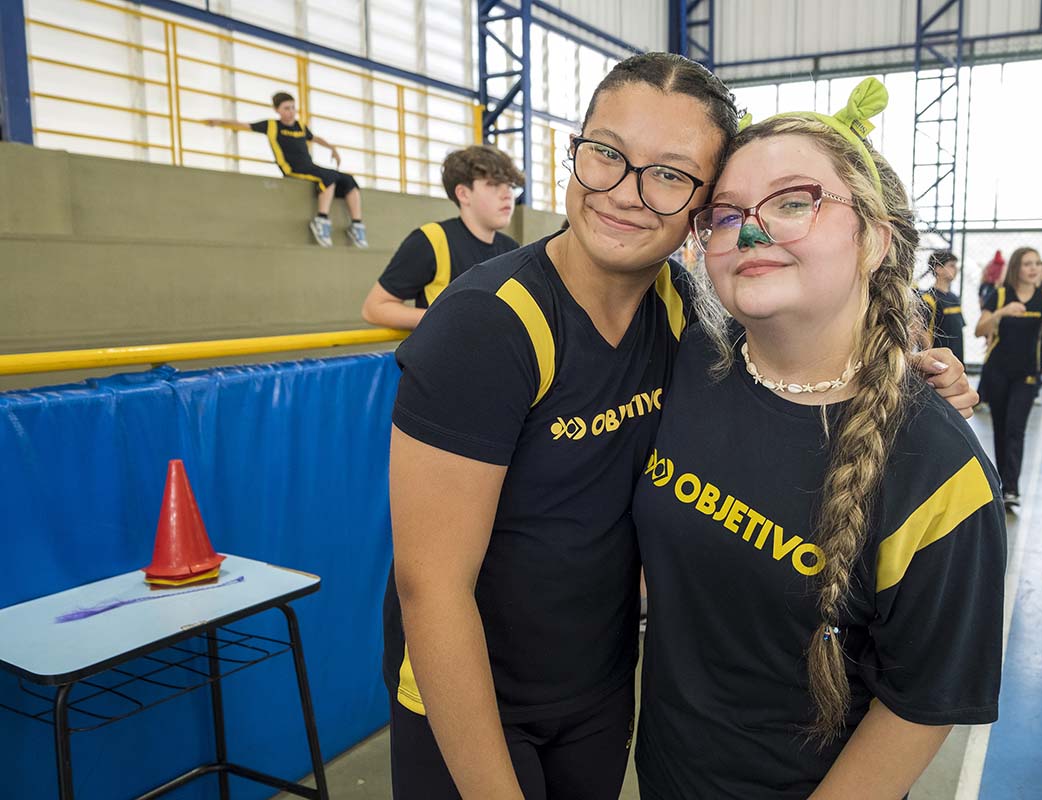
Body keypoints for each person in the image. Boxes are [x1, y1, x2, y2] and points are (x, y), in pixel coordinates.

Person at [382, 53, 975, 800]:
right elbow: (431, 587)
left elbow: (798, 361)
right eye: (606, 153)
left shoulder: (683, 316)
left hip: (599, 690)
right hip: (471, 697)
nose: (625, 193)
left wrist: (901, 376)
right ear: (575, 150)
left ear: (702, 207)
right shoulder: (487, 325)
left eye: (669, 173)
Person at [633, 78, 1006, 799]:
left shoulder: (938, 471)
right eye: (726, 214)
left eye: (794, 201)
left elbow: (920, 703)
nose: (750, 233)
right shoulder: (681, 358)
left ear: (876, 239)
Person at [361, 145, 523, 330]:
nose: (507, 195)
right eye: (493, 184)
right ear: (463, 194)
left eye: (510, 185)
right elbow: (374, 309)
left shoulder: (512, 249)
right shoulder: (431, 240)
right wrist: (450, 319)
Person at [204, 92, 366, 248]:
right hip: (293, 169)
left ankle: (356, 225)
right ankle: (321, 220)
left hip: (311, 167)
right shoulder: (271, 126)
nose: (291, 112)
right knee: (328, 177)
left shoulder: (300, 126)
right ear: (277, 110)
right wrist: (219, 122)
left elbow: (314, 138)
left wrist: (332, 148)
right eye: (286, 108)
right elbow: (243, 125)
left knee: (349, 180)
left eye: (293, 108)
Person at [975, 247, 1042, 510]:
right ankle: (1002, 483)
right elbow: (980, 329)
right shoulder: (1000, 294)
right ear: (1016, 267)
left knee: (1016, 428)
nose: (1034, 268)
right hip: (997, 371)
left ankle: (1011, 488)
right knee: (1001, 429)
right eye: (1027, 264)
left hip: (1027, 374)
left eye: (1036, 263)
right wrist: (1001, 312)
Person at [919, 250, 966, 362]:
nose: (956, 269)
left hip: (956, 360)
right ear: (938, 269)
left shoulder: (954, 298)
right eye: (951, 265)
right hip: (939, 363)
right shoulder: (928, 298)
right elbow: (923, 332)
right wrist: (932, 361)